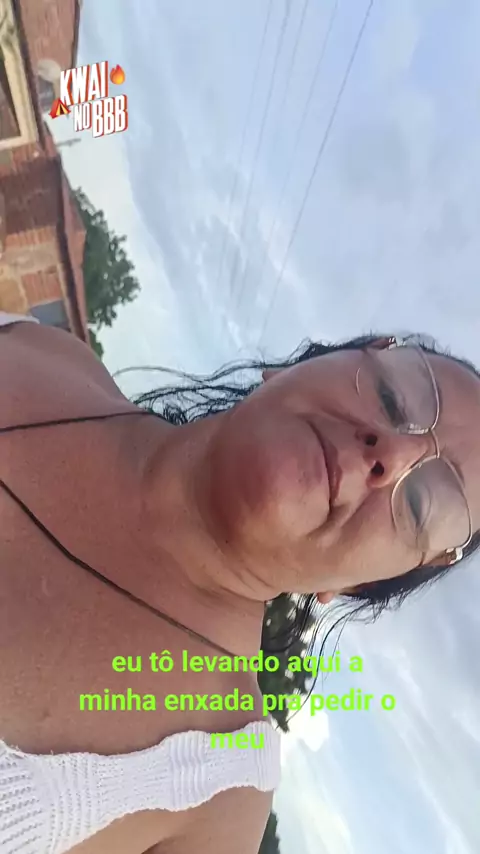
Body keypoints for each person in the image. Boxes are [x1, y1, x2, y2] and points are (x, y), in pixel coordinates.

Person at [0, 309, 478, 854]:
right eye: (394, 399)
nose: (393, 455)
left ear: (357, 586)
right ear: (300, 366)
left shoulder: (217, 802)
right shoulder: (42, 347)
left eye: (420, 505)